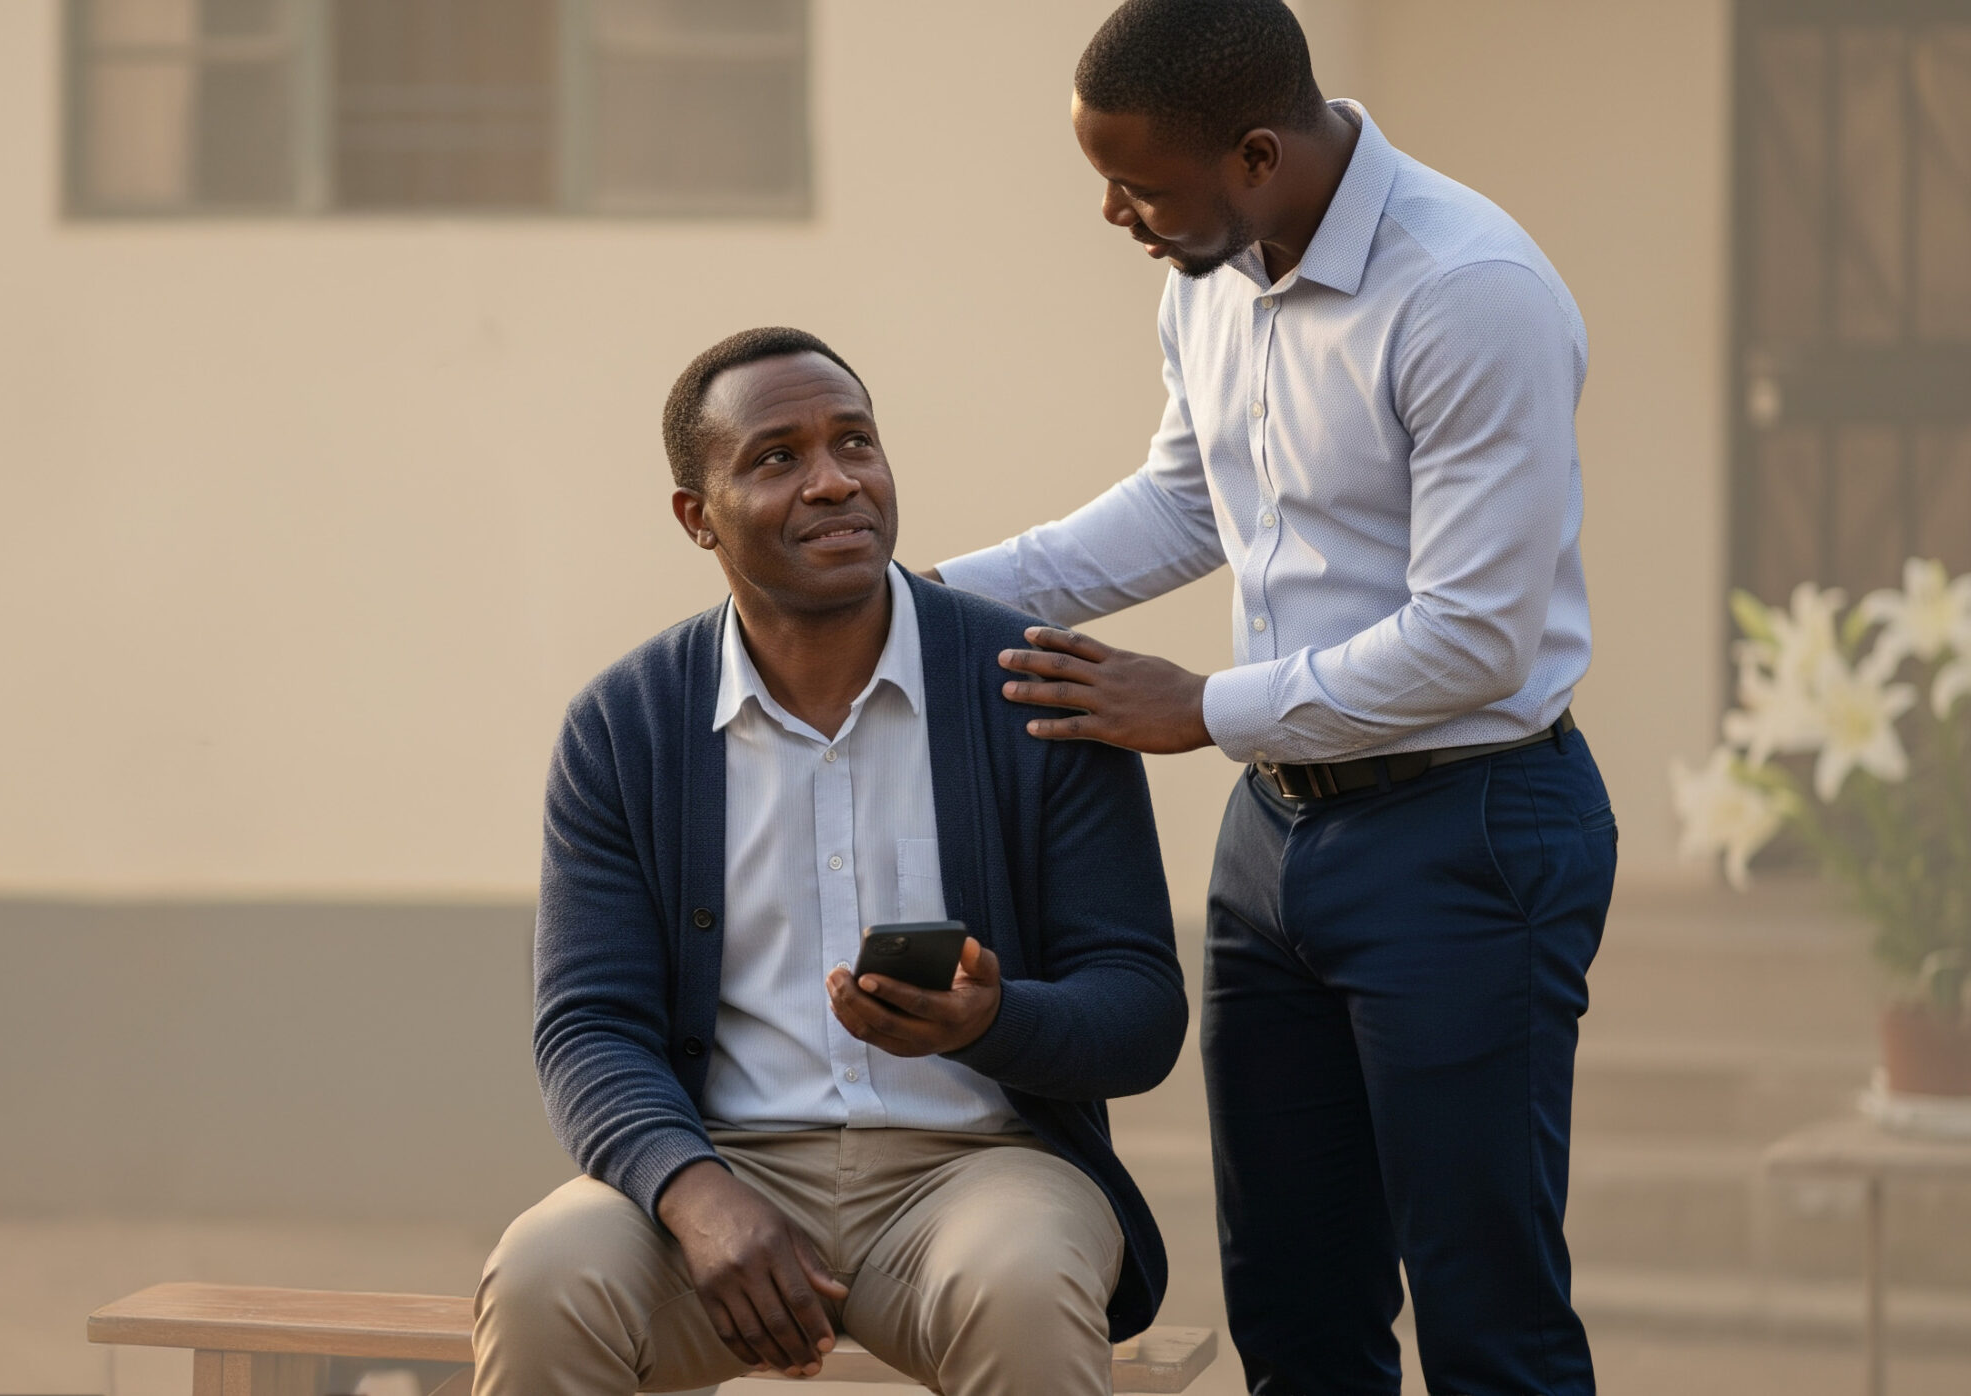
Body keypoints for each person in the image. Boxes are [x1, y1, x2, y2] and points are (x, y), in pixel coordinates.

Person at [929, 3, 1618, 1393]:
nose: (1114, 212)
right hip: (1275, 848)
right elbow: (1190, 503)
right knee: (1296, 1313)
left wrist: (1204, 707)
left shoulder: (1470, 290)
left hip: (1469, 832)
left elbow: (1474, 639)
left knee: (1490, 1317)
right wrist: (920, 605)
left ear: (1255, 152)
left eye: (1139, 185)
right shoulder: (1211, 267)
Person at [475, 327, 1187, 1396]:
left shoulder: (1029, 692)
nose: (834, 482)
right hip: (721, 1162)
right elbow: (588, 1024)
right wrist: (694, 1190)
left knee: (1025, 1285)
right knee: (541, 1278)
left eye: (855, 442)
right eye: (777, 458)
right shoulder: (629, 724)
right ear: (695, 515)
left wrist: (993, 1022)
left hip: (981, 1170)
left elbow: (1139, 1012)